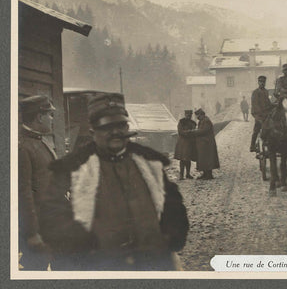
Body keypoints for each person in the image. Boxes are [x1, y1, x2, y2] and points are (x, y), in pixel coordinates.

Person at [40, 93, 189, 271]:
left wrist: (170, 237)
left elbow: (172, 204)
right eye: (107, 127)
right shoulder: (72, 168)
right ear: (92, 132)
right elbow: (52, 215)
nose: (115, 132)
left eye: (120, 125)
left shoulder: (149, 163)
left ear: (127, 127)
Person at [18, 95, 56, 270]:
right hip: (37, 228)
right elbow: (23, 194)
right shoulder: (23, 148)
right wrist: (31, 232)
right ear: (40, 117)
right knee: (35, 269)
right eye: (50, 114)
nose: (52, 119)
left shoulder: (41, 142)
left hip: (50, 223)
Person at [190, 108, 220, 180]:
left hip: (207, 143)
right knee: (203, 159)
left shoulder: (206, 121)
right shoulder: (203, 120)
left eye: (198, 116)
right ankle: (205, 173)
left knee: (207, 159)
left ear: (202, 115)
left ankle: (209, 175)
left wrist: (194, 131)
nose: (197, 117)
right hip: (203, 143)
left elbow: (203, 131)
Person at [250, 75, 273, 152]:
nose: (262, 83)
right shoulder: (255, 92)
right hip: (258, 114)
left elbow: (268, 103)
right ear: (258, 82)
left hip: (266, 114)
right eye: (260, 82)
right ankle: (252, 145)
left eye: (263, 82)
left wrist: (274, 105)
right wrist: (260, 115)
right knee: (257, 128)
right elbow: (255, 105)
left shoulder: (266, 91)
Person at [174, 110, 197, 180]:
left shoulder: (193, 123)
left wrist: (191, 132)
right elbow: (180, 132)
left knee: (188, 159)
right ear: (185, 114)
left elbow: (194, 131)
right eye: (187, 115)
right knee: (182, 159)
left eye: (190, 115)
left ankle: (187, 174)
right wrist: (189, 132)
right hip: (182, 143)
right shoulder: (181, 122)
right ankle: (181, 175)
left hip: (190, 143)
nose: (189, 116)